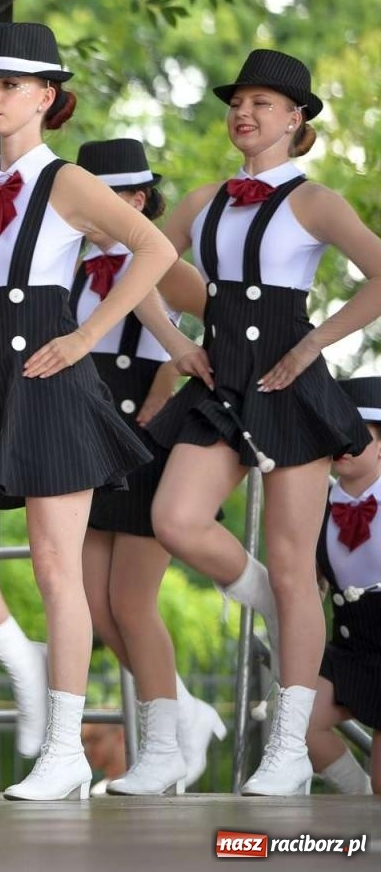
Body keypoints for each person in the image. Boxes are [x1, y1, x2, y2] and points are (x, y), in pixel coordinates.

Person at [0, 22, 178, 801]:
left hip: (55, 383)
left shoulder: (67, 181)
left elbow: (152, 249)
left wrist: (90, 332)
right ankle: (19, 657)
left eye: (11, 86)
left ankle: (64, 751)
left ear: (47, 97)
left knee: (58, 569)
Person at [144, 49, 381, 795]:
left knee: (292, 563)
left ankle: (287, 747)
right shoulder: (204, 197)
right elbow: (137, 267)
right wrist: (179, 344)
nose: (245, 113)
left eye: (264, 103)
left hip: (290, 381)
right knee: (175, 519)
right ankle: (259, 593)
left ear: (296, 118)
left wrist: (315, 343)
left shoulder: (316, 200)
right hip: (220, 379)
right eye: (238, 101)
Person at [69, 139, 227, 795]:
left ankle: (164, 742)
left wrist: (167, 382)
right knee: (96, 607)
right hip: (85, 431)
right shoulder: (71, 267)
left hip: (144, 430)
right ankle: (184, 709)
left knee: (132, 601)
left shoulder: (158, 263)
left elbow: (226, 322)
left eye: (106, 197)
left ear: (137, 200)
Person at [305, 376, 381, 795]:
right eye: (336, 432)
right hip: (349, 647)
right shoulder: (316, 502)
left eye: (358, 436)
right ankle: (356, 798)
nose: (343, 443)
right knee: (300, 720)